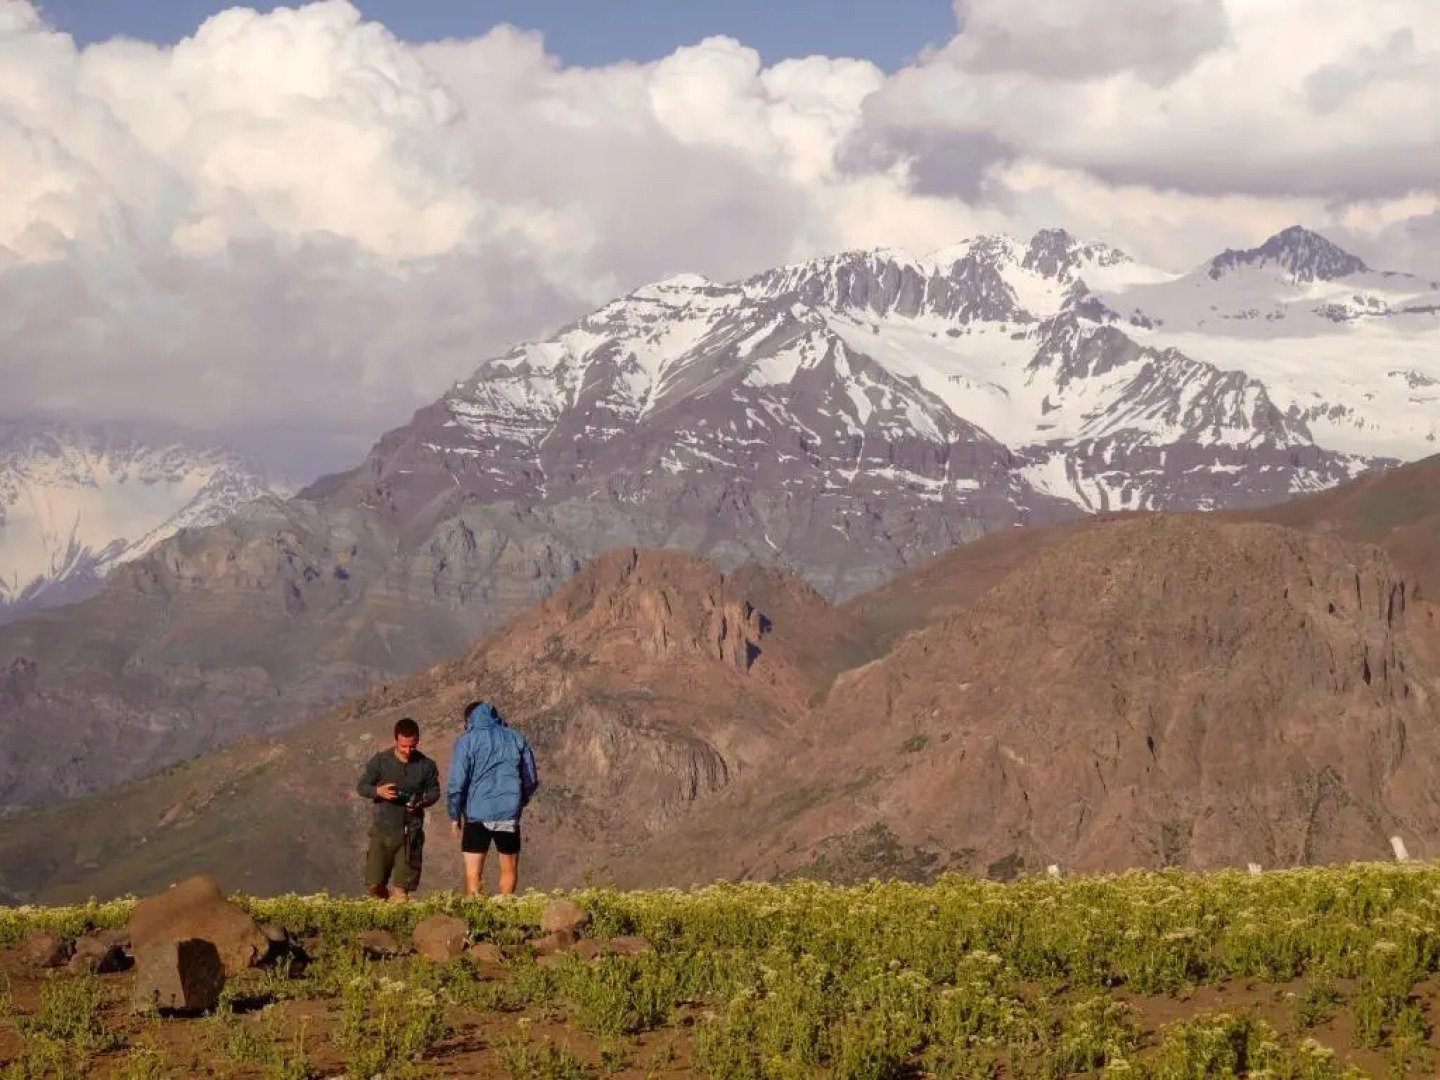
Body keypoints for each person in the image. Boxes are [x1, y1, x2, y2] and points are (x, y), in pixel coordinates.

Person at [447, 701, 539, 896]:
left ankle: (475, 911)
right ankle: (505, 908)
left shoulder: (466, 741)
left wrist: (455, 815)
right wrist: (518, 802)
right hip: (508, 813)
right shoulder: (516, 737)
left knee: (473, 874)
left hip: (476, 814)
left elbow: (457, 783)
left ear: (468, 720)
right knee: (509, 869)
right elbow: (530, 778)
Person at [355, 717, 441, 901]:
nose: (408, 751)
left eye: (412, 746)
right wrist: (378, 791)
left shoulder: (426, 766)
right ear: (395, 740)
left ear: (418, 740)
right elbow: (362, 787)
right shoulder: (380, 761)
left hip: (410, 834)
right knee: (376, 888)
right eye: (403, 746)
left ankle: (400, 915)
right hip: (383, 830)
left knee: (401, 890)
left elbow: (434, 792)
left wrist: (422, 801)